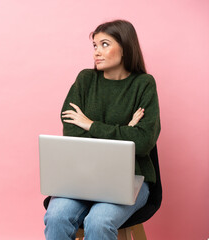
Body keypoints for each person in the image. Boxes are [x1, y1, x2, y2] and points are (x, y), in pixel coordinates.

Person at [43, 20, 161, 240]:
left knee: (99, 221)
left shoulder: (144, 84)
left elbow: (144, 141)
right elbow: (72, 134)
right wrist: (126, 131)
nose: (97, 51)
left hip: (130, 179)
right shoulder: (85, 80)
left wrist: (90, 124)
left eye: (104, 44)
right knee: (56, 216)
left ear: (125, 48)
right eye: (95, 46)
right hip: (81, 178)